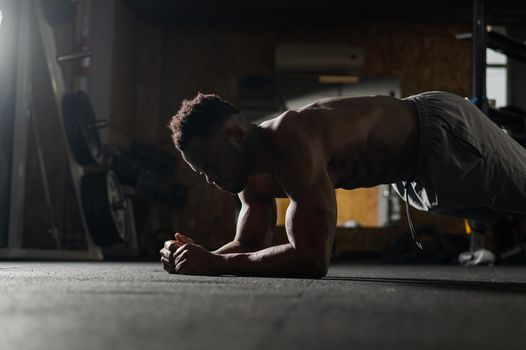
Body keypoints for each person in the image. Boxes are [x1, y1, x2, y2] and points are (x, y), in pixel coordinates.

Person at [160, 91, 526, 277]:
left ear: (236, 134)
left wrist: (216, 265)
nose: (211, 179)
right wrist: (198, 257)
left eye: (211, 165)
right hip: (412, 178)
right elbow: (249, 245)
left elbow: (312, 259)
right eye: (201, 173)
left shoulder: (292, 141)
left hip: (441, 133)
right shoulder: (245, 176)